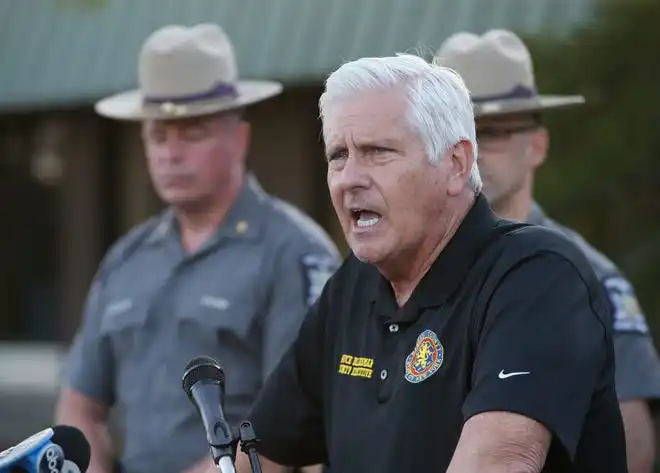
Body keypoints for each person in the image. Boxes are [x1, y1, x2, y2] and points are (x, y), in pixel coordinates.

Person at [229, 54, 628, 473]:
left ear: (456, 164)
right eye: (337, 156)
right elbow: (254, 458)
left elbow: (501, 461)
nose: (349, 178)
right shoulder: (352, 286)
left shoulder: (538, 275)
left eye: (377, 152)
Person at [54, 23, 341, 473]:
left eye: (191, 132)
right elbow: (80, 407)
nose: (171, 153)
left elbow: (292, 425)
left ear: (239, 139)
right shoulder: (126, 259)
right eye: (157, 135)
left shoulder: (292, 253)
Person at [434, 29, 660, 473]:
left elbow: (632, 446)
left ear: (536, 145)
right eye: (454, 134)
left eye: (491, 132)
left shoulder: (584, 276)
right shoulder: (398, 272)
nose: (470, 153)